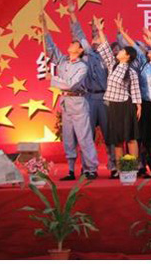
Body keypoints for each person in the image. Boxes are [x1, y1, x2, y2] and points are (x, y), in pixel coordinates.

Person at [40, 13, 99, 180]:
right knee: (68, 138)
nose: (71, 44)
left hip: (78, 101)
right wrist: (44, 27)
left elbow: (71, 84)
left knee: (84, 137)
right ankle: (71, 170)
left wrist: (53, 79)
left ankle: (90, 169)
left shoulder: (82, 66)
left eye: (75, 44)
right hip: (65, 103)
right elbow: (51, 49)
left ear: (80, 50)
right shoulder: (63, 62)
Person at [68, 0, 117, 178]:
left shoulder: (108, 57)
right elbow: (79, 34)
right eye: (93, 38)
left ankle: (114, 166)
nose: (95, 41)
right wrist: (72, 14)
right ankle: (89, 168)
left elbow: (104, 43)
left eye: (98, 38)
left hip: (105, 99)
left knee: (110, 135)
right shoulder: (87, 55)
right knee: (85, 134)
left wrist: (100, 31)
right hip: (88, 98)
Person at [116, 17, 151, 177]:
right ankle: (145, 165)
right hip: (144, 104)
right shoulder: (144, 62)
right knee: (145, 137)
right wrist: (122, 31)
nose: (148, 50)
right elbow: (133, 45)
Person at [93, 19, 142, 170]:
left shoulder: (131, 71)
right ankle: (122, 169)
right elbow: (105, 48)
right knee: (117, 140)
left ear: (127, 56)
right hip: (113, 106)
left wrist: (139, 106)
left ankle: (133, 167)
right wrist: (100, 30)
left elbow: (135, 90)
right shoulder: (112, 65)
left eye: (121, 51)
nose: (118, 52)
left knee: (131, 138)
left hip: (126, 106)